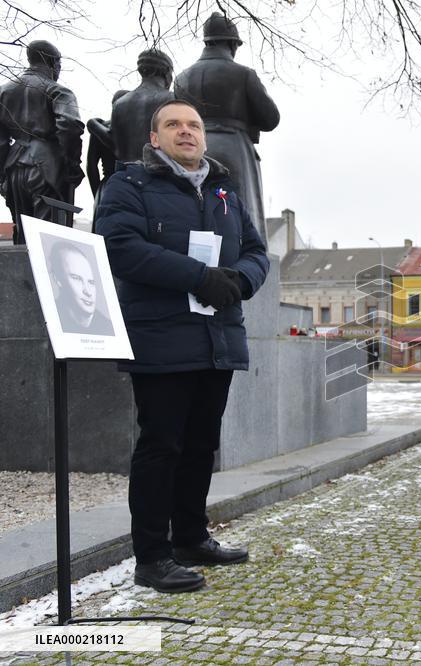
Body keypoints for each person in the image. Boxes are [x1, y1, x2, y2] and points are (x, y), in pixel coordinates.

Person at [95, 99, 269, 593]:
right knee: (161, 446)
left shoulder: (223, 189)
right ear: (155, 138)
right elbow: (119, 247)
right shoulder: (129, 184)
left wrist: (239, 280)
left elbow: (257, 251)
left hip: (218, 336)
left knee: (200, 446)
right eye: (173, 124)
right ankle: (151, 556)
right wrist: (200, 278)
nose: (186, 131)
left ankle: (191, 538)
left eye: (193, 125)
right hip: (160, 335)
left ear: (204, 137)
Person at [174, 12, 280, 237]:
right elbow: (271, 119)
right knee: (240, 214)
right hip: (234, 147)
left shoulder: (181, 78)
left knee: (193, 209)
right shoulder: (244, 75)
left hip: (191, 146)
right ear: (233, 44)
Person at [0, 40, 84, 242]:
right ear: (53, 63)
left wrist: (2, 173)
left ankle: (23, 274)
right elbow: (71, 124)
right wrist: (71, 163)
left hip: (14, 166)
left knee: (23, 235)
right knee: (49, 237)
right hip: (47, 166)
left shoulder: (4, 91)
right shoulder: (57, 91)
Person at [49, 241, 114, 336]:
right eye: (77, 279)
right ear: (58, 279)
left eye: (91, 282)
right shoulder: (48, 319)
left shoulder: (109, 328)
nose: (88, 292)